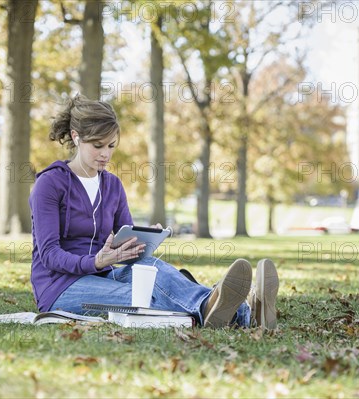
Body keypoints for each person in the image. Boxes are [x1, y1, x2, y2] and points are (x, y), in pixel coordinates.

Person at [29, 94, 280, 329]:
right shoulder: (50, 184)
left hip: (103, 274)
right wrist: (96, 261)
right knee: (141, 296)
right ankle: (241, 313)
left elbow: (126, 249)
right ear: (76, 137)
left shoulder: (112, 185)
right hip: (60, 286)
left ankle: (233, 310)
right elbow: (49, 255)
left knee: (151, 267)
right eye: (97, 145)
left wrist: (144, 239)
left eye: (111, 145)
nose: (106, 154)